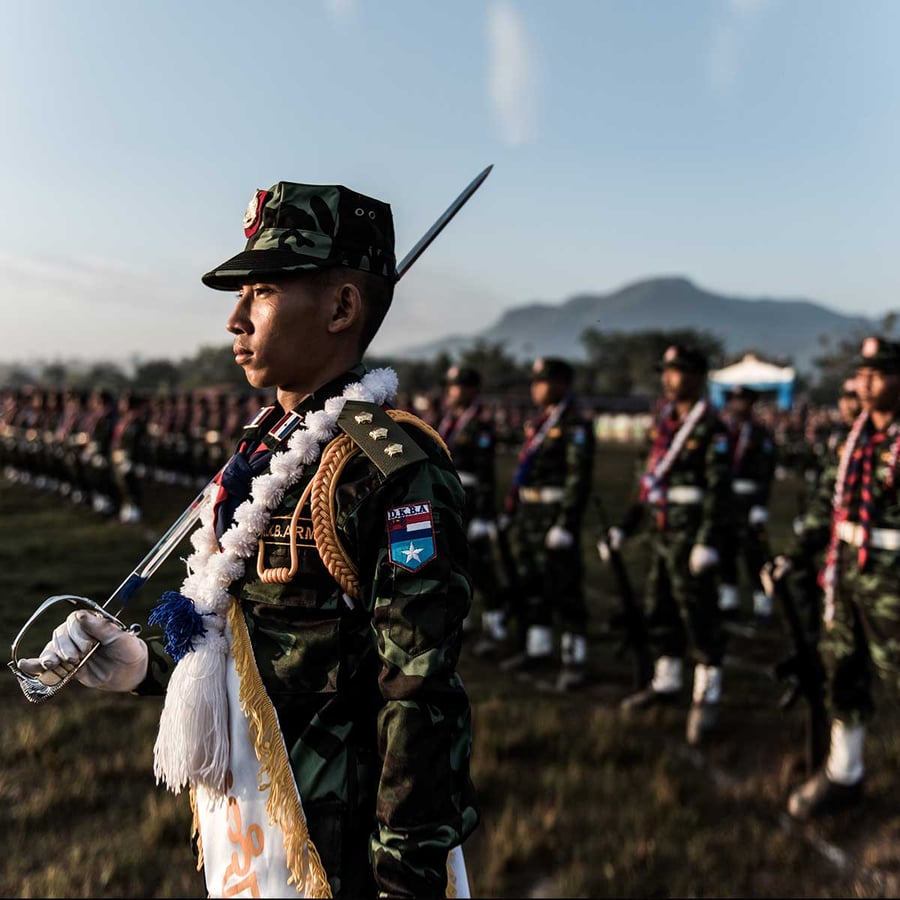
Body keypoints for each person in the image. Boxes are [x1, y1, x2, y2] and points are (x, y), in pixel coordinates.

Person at [20, 180, 480, 898]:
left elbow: (418, 696)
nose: (235, 320)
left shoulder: (387, 469)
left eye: (262, 291)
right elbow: (258, 661)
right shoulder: (264, 451)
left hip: (340, 855)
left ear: (341, 307)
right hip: (248, 835)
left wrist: (405, 877)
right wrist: (145, 668)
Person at [770, 336, 900, 821]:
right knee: (842, 671)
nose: (865, 382)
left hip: (894, 580)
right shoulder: (856, 438)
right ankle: (845, 773)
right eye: (862, 372)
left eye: (880, 372)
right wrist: (795, 556)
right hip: (847, 576)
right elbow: (829, 504)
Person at [607, 344, 732, 745]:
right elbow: (644, 481)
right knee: (658, 605)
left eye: (676, 371)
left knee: (698, 612)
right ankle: (667, 681)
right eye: (666, 371)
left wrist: (709, 540)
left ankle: (707, 694)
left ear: (696, 376)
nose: (668, 378)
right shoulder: (663, 423)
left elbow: (719, 490)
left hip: (691, 533)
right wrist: (627, 526)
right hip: (660, 531)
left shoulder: (711, 427)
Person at [499, 356, 596, 692]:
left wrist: (566, 524)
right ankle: (538, 648)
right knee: (532, 584)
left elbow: (578, 479)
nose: (536, 387)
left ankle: (574, 660)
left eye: (543, 381)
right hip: (531, 513)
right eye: (535, 380)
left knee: (565, 588)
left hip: (555, 515)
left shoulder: (574, 424)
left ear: (562, 384)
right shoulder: (540, 422)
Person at [435, 365, 503, 655]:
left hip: (471, 500)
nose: (455, 391)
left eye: (461, 385)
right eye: (452, 385)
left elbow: (487, 473)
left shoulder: (480, 424)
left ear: (474, 389)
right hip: (448, 498)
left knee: (481, 566)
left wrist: (486, 515)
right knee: (452, 564)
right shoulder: (447, 420)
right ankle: (465, 621)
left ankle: (496, 626)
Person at [717, 385, 777, 625]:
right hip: (726, 499)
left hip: (750, 499)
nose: (736, 405)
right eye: (733, 400)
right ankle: (728, 601)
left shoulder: (760, 434)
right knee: (726, 550)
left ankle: (763, 603)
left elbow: (767, 471)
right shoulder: (724, 432)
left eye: (741, 400)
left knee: (754, 554)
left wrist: (761, 504)